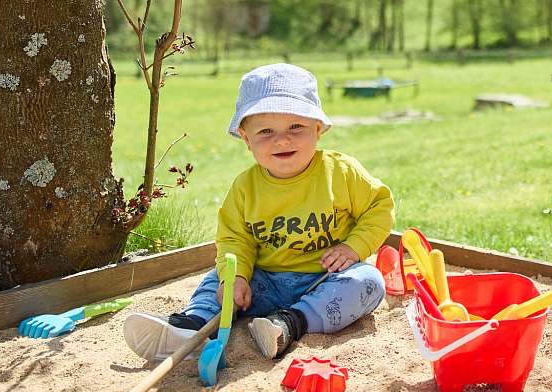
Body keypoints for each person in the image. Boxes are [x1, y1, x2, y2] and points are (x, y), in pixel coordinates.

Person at [124, 63, 392, 361]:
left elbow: (379, 207)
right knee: (218, 280)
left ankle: (290, 324)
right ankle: (194, 325)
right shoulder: (245, 188)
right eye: (266, 131)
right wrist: (236, 277)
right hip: (264, 282)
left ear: (318, 129)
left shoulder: (341, 172)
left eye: (296, 127)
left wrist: (353, 248)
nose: (282, 139)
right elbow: (235, 240)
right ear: (246, 138)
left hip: (325, 278)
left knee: (368, 283)